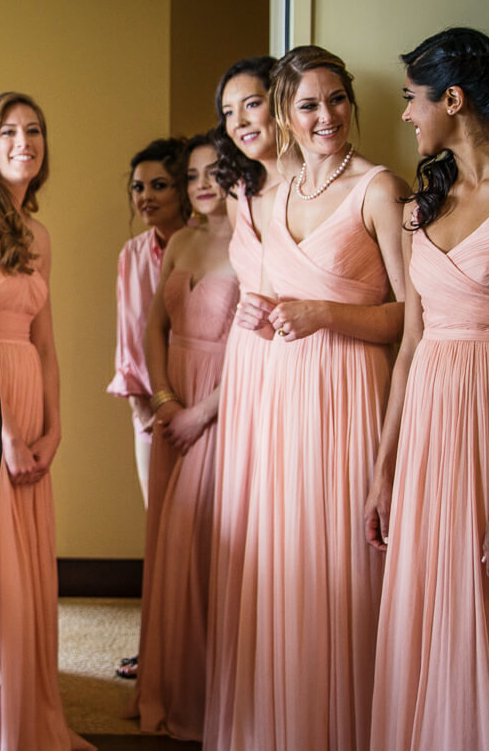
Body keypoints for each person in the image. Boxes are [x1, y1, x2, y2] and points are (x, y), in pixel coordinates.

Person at [228, 46, 407, 751]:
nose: (326, 115)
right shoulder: (270, 199)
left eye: (336, 99)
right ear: (285, 116)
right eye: (309, 104)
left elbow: (409, 316)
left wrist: (324, 314)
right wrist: (258, 312)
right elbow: (265, 295)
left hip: (348, 396)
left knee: (345, 573)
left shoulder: (378, 189)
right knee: (287, 575)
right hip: (278, 401)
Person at [364, 27, 489, 751]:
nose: (405, 116)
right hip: (430, 430)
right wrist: (384, 468)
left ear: (452, 100)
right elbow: (413, 343)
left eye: (412, 100)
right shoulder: (420, 207)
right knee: (435, 609)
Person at [0, 92, 92, 751]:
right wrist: (5, 430)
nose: (23, 141)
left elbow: (46, 339)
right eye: (8, 130)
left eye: (33, 130)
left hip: (32, 396)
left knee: (32, 566)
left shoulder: (37, 234)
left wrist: (54, 426)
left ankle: (34, 715)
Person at [129, 133, 237, 740]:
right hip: (176, 400)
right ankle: (169, 687)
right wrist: (168, 399)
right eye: (192, 174)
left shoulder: (256, 246)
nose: (200, 184)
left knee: (209, 546)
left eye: (212, 172)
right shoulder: (184, 242)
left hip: (227, 407)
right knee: (171, 543)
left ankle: (213, 693)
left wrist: (202, 414)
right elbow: (152, 326)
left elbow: (257, 353)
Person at [203, 55, 283, 751]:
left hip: (313, 370)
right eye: (229, 113)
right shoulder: (241, 193)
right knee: (252, 545)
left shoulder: (353, 187)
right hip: (252, 369)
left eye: (251, 105)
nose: (240, 123)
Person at [108, 136, 188, 679]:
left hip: (210, 409)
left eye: (159, 185)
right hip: (150, 411)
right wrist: (148, 407)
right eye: (139, 187)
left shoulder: (211, 244)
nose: (147, 196)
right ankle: (157, 648)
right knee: (158, 528)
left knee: (204, 531)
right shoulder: (132, 255)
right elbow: (131, 337)